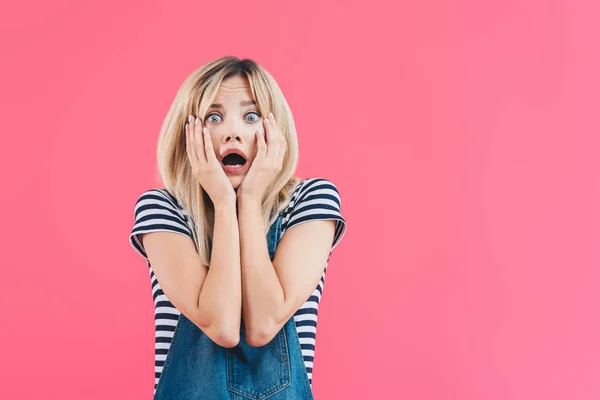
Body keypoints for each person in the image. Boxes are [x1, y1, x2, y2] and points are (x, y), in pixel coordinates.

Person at [128, 56, 347, 399]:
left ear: (275, 128)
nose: (233, 131)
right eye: (214, 118)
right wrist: (223, 201)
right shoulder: (163, 209)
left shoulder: (310, 200)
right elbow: (222, 325)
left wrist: (250, 198)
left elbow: (264, 324)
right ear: (189, 131)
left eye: (251, 116)